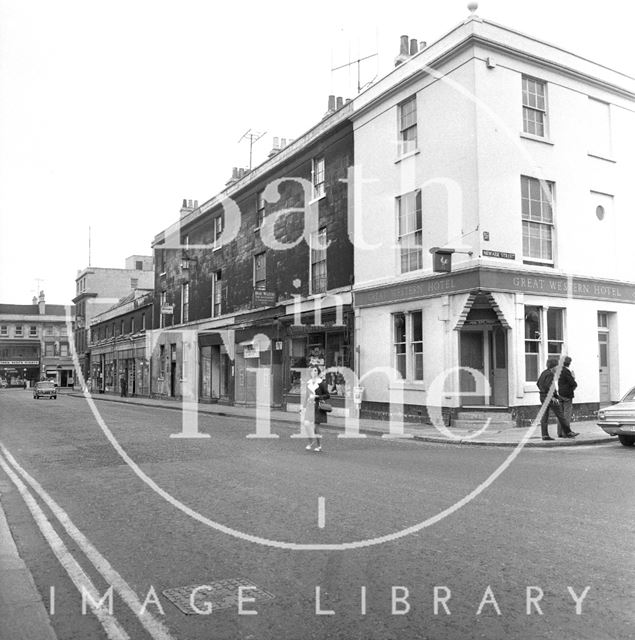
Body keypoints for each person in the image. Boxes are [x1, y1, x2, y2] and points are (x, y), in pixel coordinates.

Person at [536, 358, 578, 441]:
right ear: (553, 367)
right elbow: (548, 386)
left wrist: (544, 392)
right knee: (560, 415)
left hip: (542, 396)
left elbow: (538, 383)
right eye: (557, 366)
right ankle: (568, 432)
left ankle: (544, 435)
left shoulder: (544, 373)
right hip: (550, 398)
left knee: (545, 416)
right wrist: (552, 396)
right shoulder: (550, 374)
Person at [303, 366, 330, 453]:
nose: (313, 372)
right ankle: (311, 440)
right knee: (306, 424)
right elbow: (306, 396)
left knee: (316, 426)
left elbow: (327, 395)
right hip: (310, 406)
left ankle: (319, 445)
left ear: (318, 372)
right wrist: (303, 408)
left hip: (318, 406)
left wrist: (317, 396)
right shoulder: (308, 383)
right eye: (312, 371)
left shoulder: (321, 383)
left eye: (315, 371)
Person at [557, 356, 578, 437]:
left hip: (560, 394)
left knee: (560, 415)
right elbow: (573, 383)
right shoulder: (566, 371)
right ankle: (566, 432)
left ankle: (560, 433)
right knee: (567, 415)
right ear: (569, 363)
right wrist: (573, 377)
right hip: (567, 396)